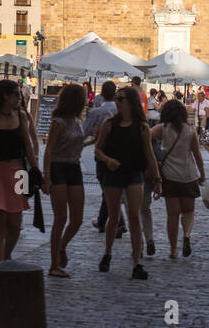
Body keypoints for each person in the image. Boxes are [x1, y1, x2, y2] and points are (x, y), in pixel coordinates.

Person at [94, 85, 161, 279]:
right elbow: (98, 149)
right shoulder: (109, 124)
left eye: (120, 99)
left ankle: (137, 262)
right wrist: (108, 160)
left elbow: (149, 155)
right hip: (113, 175)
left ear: (130, 102)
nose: (117, 102)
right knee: (113, 217)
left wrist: (157, 180)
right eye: (116, 98)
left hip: (134, 174)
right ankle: (107, 254)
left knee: (134, 216)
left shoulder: (142, 128)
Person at [0, 78, 39, 263]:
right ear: (5, 96)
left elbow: (28, 146)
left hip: (18, 172)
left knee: (16, 224)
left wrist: (36, 169)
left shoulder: (22, 116)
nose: (20, 98)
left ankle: (6, 255)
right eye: (17, 94)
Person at [151, 99, 206, 259]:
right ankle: (187, 234)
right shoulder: (190, 130)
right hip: (188, 175)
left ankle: (173, 250)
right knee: (188, 211)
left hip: (169, 177)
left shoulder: (162, 128)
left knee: (172, 215)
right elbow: (197, 155)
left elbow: (146, 136)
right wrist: (202, 173)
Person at [42, 81, 86, 278]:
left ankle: (61, 247)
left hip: (74, 167)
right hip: (59, 168)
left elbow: (76, 144)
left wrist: (92, 140)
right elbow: (49, 150)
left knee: (77, 219)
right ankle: (53, 265)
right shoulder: (58, 122)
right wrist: (46, 176)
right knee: (61, 218)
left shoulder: (78, 121)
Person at [84, 80, 126, 237]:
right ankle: (102, 222)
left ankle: (120, 222)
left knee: (107, 188)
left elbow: (84, 131)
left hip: (103, 155)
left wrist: (93, 136)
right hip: (121, 155)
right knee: (109, 188)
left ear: (101, 94)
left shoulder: (97, 112)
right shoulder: (122, 110)